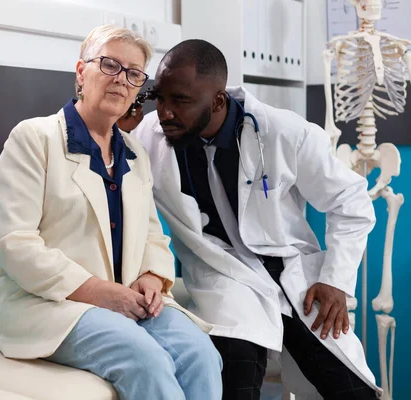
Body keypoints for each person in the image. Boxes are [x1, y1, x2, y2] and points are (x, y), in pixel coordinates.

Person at [124, 39, 382, 400]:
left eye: (180, 101)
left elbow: (351, 201)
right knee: (237, 378)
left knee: (351, 390)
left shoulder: (283, 132)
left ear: (217, 101)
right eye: (160, 98)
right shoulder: (146, 136)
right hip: (223, 274)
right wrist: (118, 126)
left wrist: (335, 280)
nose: (165, 113)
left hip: (294, 275)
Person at [0, 26, 222, 400]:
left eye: (133, 74)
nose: (121, 80)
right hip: (51, 305)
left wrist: (151, 275)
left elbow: (151, 234)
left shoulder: (133, 152)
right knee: (144, 357)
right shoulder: (34, 139)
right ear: (81, 72)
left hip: (128, 300)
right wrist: (102, 293)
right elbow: (13, 243)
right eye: (110, 65)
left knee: (201, 355)